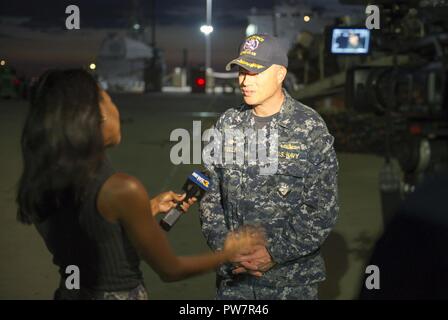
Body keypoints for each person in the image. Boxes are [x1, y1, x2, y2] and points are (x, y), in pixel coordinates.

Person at [16, 69, 262, 300]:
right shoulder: (122, 188)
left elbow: (88, 231)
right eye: (108, 99)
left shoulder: (45, 178)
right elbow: (170, 270)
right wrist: (228, 254)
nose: (115, 108)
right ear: (96, 116)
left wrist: (147, 209)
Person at [199, 34, 339, 300]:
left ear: (280, 74)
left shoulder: (309, 128)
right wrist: (225, 247)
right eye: (242, 71)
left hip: (291, 283)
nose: (244, 81)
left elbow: (322, 207)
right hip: (234, 283)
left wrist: (273, 253)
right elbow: (209, 194)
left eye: (254, 72)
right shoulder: (227, 125)